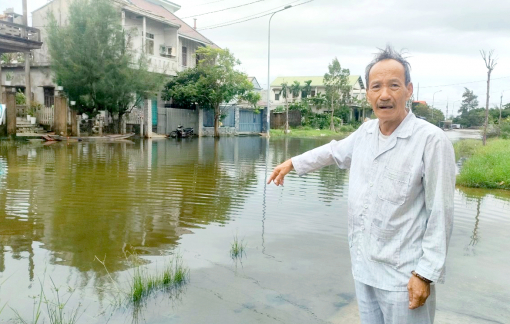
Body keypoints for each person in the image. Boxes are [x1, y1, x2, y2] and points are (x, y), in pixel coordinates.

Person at [267, 46, 455, 324]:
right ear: (368, 94)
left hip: (404, 276)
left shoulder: (431, 140)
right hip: (364, 268)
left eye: (394, 85)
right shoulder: (366, 132)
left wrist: (425, 274)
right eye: (376, 86)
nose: (385, 95)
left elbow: (441, 213)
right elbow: (333, 151)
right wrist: (293, 163)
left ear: (408, 90)